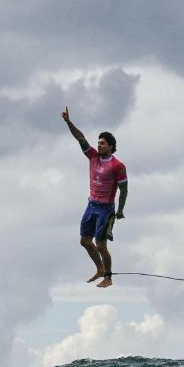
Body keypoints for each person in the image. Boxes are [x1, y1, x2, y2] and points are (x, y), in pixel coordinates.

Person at [61, 106, 127, 288]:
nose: (99, 145)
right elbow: (80, 138)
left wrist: (120, 210)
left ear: (111, 146)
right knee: (84, 241)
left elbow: (124, 189)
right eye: (98, 142)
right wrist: (68, 122)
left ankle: (108, 276)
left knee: (101, 245)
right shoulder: (93, 157)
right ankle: (99, 269)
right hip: (91, 206)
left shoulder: (118, 165)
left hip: (106, 210)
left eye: (103, 143)